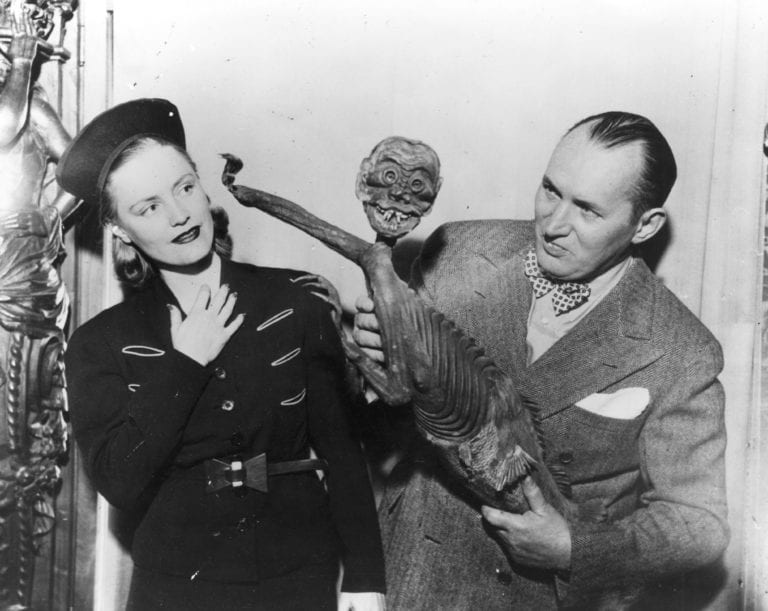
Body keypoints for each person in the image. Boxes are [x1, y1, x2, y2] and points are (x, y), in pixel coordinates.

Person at [354, 111, 728, 609]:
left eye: (588, 211)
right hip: (415, 573)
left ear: (645, 225)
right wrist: (375, 362)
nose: (553, 225)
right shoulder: (458, 251)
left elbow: (698, 522)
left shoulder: (680, 349)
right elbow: (393, 419)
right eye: (551, 190)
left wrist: (574, 549)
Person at [58, 98, 385, 611]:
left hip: (299, 578)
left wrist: (366, 580)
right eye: (148, 207)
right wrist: (185, 364)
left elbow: (343, 451)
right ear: (119, 229)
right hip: (174, 590)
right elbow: (118, 482)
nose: (180, 215)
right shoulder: (99, 343)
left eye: (185, 187)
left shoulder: (296, 301)